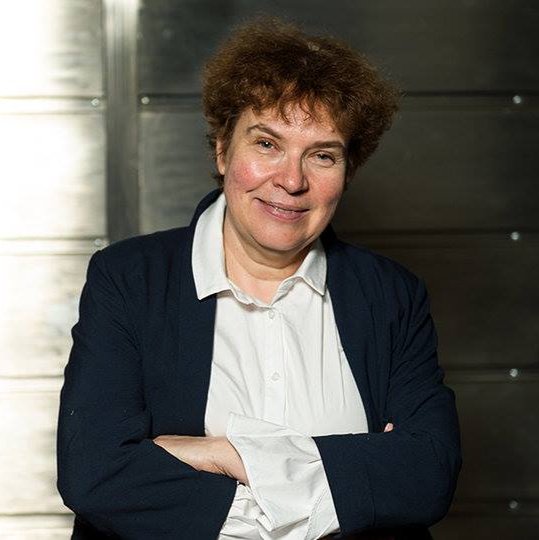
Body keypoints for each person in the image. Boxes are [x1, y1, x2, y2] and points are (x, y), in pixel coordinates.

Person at [57, 18, 461, 540]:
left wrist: (220, 456)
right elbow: (95, 474)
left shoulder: (390, 295)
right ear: (222, 149)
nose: (291, 180)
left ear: (347, 172)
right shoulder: (130, 279)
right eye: (267, 144)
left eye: (322, 155)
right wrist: (352, 480)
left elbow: (427, 476)